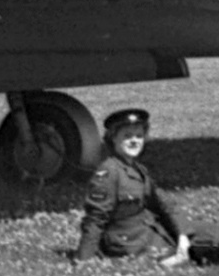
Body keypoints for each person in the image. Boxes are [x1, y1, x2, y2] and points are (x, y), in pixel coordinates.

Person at [75, 109, 188, 264]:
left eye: (139, 136)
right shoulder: (108, 172)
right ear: (113, 138)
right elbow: (96, 218)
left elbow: (161, 204)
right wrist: (83, 259)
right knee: (207, 242)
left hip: (146, 231)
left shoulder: (138, 169)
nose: (134, 141)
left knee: (206, 232)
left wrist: (181, 234)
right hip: (127, 243)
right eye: (127, 136)